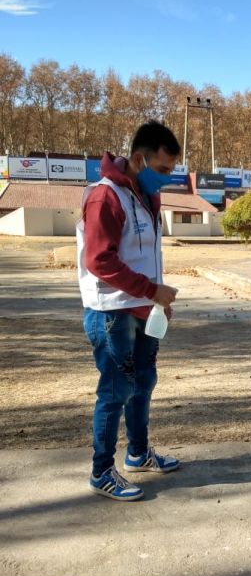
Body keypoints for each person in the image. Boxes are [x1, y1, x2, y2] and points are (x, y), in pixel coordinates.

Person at [77, 121, 182, 501]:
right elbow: (99, 261)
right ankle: (101, 471)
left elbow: (145, 255)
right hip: (113, 313)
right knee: (115, 390)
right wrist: (152, 290)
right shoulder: (105, 197)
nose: (168, 178)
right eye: (164, 169)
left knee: (143, 385)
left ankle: (138, 453)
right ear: (140, 159)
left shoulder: (146, 196)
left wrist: (156, 300)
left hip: (144, 311)